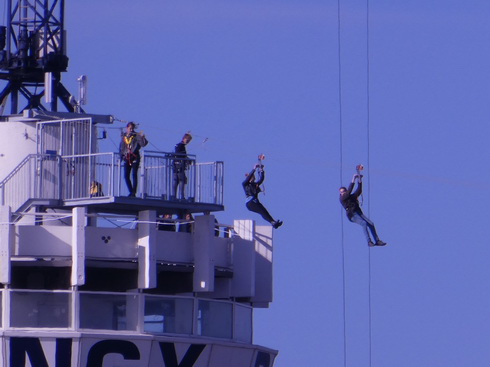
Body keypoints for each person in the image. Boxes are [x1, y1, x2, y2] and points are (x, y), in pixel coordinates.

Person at [339, 173, 386, 247]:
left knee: (371, 224)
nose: (343, 193)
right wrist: (354, 178)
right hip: (352, 215)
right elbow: (349, 191)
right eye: (341, 192)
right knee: (363, 223)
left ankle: (377, 240)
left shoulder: (351, 197)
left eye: (343, 191)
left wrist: (360, 180)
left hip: (358, 212)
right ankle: (369, 242)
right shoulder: (342, 198)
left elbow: (359, 191)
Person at [243, 163, 283, 229]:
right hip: (250, 203)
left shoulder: (255, 185)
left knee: (264, 211)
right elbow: (248, 178)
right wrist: (254, 169)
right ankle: (272, 222)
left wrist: (261, 170)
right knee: (262, 211)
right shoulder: (245, 184)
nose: (254, 178)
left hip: (255, 202)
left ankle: (273, 222)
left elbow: (261, 179)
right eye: (253, 177)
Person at [119, 122, 148, 197]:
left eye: (132, 128)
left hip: (134, 157)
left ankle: (133, 192)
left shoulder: (136, 136)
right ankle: (131, 190)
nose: (131, 130)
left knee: (134, 174)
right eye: (130, 128)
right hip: (127, 157)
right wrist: (121, 157)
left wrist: (142, 137)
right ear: (127, 128)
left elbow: (143, 144)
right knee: (126, 175)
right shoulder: (124, 137)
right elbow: (121, 147)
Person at [172, 133, 193, 200]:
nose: (188, 142)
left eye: (189, 141)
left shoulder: (179, 145)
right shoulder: (180, 146)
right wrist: (186, 159)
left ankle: (174, 196)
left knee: (177, 180)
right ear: (184, 139)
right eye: (187, 140)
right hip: (179, 166)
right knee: (181, 180)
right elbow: (179, 154)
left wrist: (187, 159)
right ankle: (181, 196)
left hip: (177, 166)